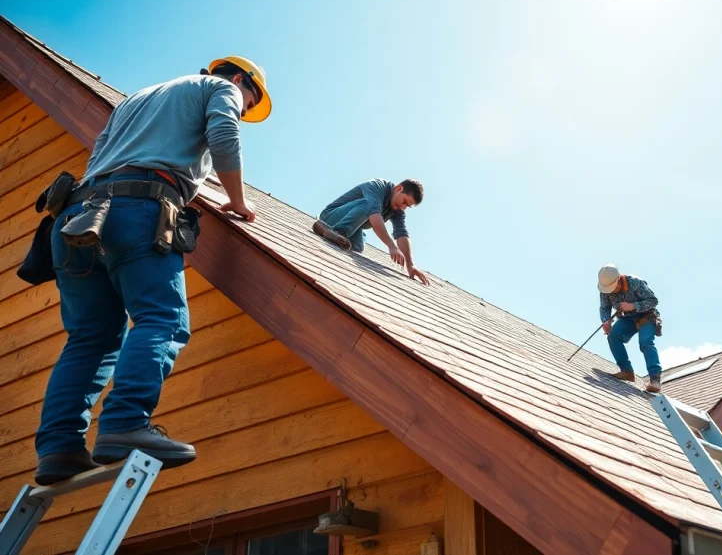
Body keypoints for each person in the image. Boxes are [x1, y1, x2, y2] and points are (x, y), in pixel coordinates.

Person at [33, 56, 272, 485]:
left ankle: (59, 449)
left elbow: (112, 158)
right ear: (239, 80)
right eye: (250, 102)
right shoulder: (223, 89)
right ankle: (125, 422)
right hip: (135, 213)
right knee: (162, 317)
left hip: (77, 217)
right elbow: (224, 133)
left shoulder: (137, 99)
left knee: (91, 339)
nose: (245, 107)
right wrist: (237, 201)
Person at [313, 178, 430, 285]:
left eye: (407, 206)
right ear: (399, 189)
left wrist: (410, 265)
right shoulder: (376, 186)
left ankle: (332, 234)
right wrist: (391, 246)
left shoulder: (397, 209)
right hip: (330, 217)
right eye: (404, 201)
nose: (403, 207)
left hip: (351, 229)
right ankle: (334, 231)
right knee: (367, 204)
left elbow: (402, 234)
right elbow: (374, 217)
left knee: (358, 247)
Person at [597, 264, 662, 393]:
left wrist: (633, 306)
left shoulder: (635, 283)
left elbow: (653, 300)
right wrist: (606, 321)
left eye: (612, 288)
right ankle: (626, 371)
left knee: (645, 342)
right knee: (613, 337)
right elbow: (605, 307)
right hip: (628, 319)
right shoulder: (605, 290)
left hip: (646, 316)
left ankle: (655, 379)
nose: (610, 292)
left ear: (618, 280)